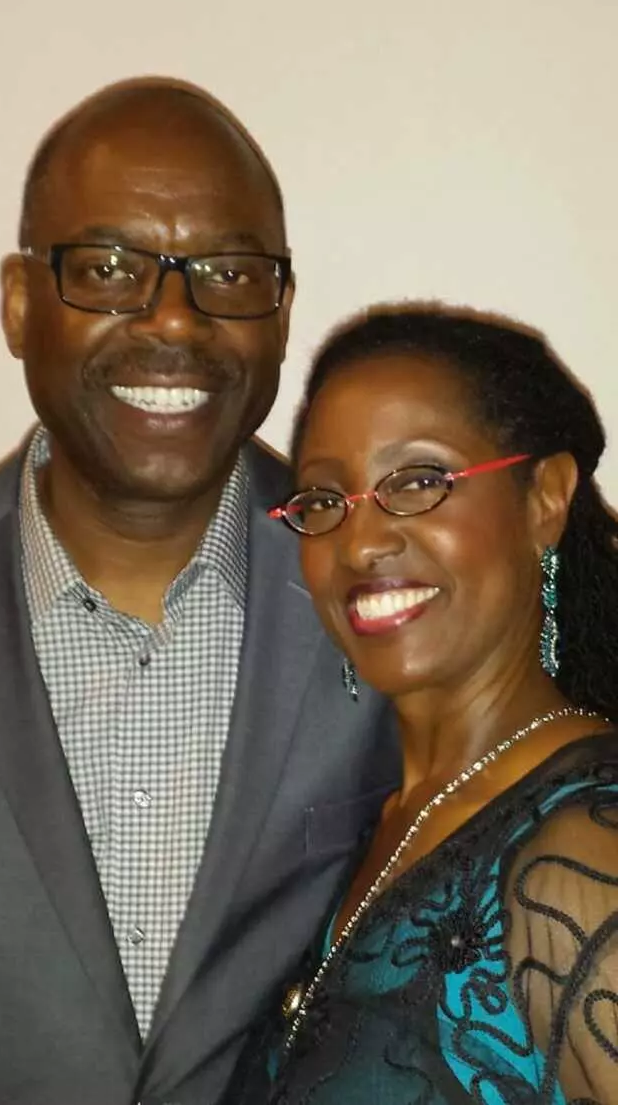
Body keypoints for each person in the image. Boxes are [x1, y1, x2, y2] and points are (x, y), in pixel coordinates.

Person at [0, 80, 399, 1105]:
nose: (174, 317)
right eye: (108, 269)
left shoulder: (388, 594)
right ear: (21, 303)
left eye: (229, 273)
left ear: (282, 314)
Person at [233, 305, 618, 1103]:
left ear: (545, 499)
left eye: (417, 481)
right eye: (323, 499)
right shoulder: (385, 819)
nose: (360, 541)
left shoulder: (584, 855)